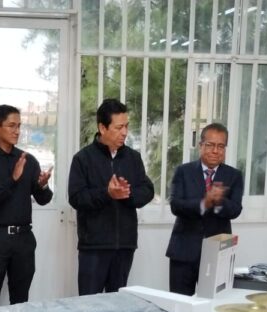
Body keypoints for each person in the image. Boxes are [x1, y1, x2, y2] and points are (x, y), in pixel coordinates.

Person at [68, 99, 154, 295]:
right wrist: (107, 193)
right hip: (94, 247)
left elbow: (147, 190)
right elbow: (76, 197)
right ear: (102, 127)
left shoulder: (133, 158)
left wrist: (127, 194)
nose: (124, 132)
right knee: (89, 306)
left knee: (118, 305)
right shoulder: (83, 158)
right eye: (118, 127)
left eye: (126, 126)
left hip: (124, 246)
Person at [0, 104, 53, 307]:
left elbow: (43, 199)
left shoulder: (27, 160)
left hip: (24, 239)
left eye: (19, 125)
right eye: (11, 125)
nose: (17, 131)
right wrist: (12, 179)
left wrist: (43, 186)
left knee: (21, 301)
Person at [166, 122, 244, 295]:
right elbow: (176, 205)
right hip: (184, 251)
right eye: (210, 145)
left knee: (213, 305)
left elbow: (236, 209)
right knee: (180, 305)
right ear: (201, 146)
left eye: (220, 146)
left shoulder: (234, 175)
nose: (215, 151)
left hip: (218, 254)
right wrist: (204, 203)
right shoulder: (183, 171)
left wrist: (219, 201)